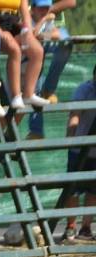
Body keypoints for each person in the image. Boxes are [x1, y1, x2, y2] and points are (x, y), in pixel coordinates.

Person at [27, 0, 75, 139]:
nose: (44, 10)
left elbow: (71, 2)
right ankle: (35, 131)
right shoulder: (29, 17)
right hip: (27, 56)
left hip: (45, 41)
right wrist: (44, 19)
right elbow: (33, 34)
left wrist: (46, 16)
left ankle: (49, 89)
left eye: (46, 8)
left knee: (66, 44)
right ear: (33, 9)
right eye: (41, 8)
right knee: (35, 85)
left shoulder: (46, 18)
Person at [0, 0, 49, 112]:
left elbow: (25, 13)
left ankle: (29, 94)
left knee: (37, 51)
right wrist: (0, 32)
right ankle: (16, 95)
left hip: (14, 22)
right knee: (15, 50)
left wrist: (27, 30)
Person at [61, 64, 96, 243]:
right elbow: (75, 114)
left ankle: (86, 228)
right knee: (73, 190)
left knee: (93, 190)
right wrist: (71, 137)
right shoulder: (85, 89)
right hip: (79, 148)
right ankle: (70, 227)